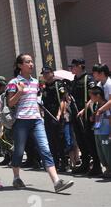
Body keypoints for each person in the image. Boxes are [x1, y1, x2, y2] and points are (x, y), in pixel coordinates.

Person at [7, 54, 74, 193]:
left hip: (37, 120)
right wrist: (19, 92)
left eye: (32, 62)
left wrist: (41, 114)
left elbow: (36, 100)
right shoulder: (14, 82)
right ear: (20, 65)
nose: (31, 64)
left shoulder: (35, 82)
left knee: (45, 149)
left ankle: (56, 182)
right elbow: (10, 103)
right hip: (21, 121)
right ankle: (16, 177)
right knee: (19, 152)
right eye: (27, 62)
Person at [70, 59, 101, 176]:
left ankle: (96, 165)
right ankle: (85, 164)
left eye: (73, 66)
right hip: (75, 115)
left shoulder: (88, 79)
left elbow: (93, 97)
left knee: (89, 140)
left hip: (86, 115)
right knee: (80, 140)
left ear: (80, 66)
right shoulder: (74, 80)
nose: (71, 68)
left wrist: (84, 109)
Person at [41, 66, 68, 171]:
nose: (45, 75)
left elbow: (63, 100)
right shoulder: (44, 87)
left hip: (57, 116)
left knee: (60, 140)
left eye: (47, 73)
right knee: (51, 141)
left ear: (52, 73)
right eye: (44, 74)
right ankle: (55, 163)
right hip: (48, 117)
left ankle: (64, 163)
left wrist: (59, 114)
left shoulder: (58, 84)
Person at [89, 86, 111, 177]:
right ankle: (106, 169)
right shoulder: (96, 105)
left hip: (105, 133)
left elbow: (110, 118)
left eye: (91, 96)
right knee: (101, 152)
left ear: (98, 95)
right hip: (97, 132)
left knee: (107, 151)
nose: (90, 98)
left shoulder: (106, 106)